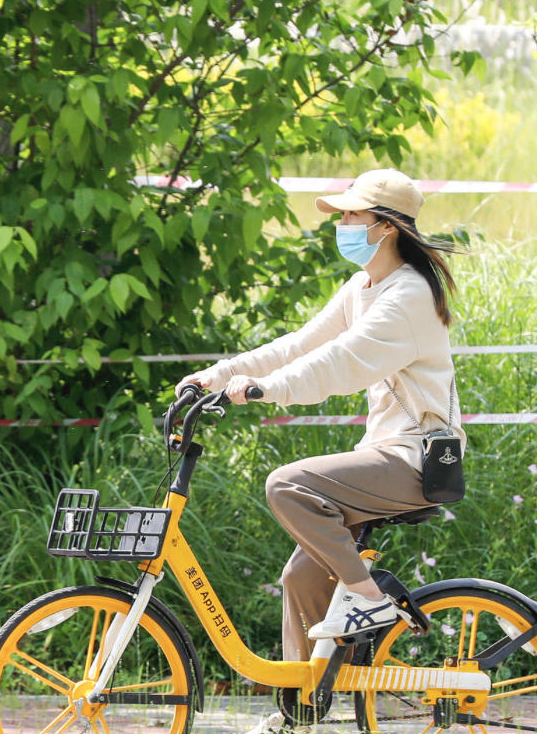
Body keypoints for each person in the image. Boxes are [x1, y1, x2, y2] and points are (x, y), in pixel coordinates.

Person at [181, 167, 462, 682]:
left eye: (353, 214)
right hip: (383, 451)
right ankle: (301, 712)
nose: (342, 223)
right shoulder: (364, 285)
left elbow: (341, 359)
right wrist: (216, 375)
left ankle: (369, 599)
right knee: (301, 577)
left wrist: (269, 389)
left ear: (387, 227)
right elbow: (300, 344)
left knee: (287, 484)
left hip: (415, 458)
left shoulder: (409, 296)